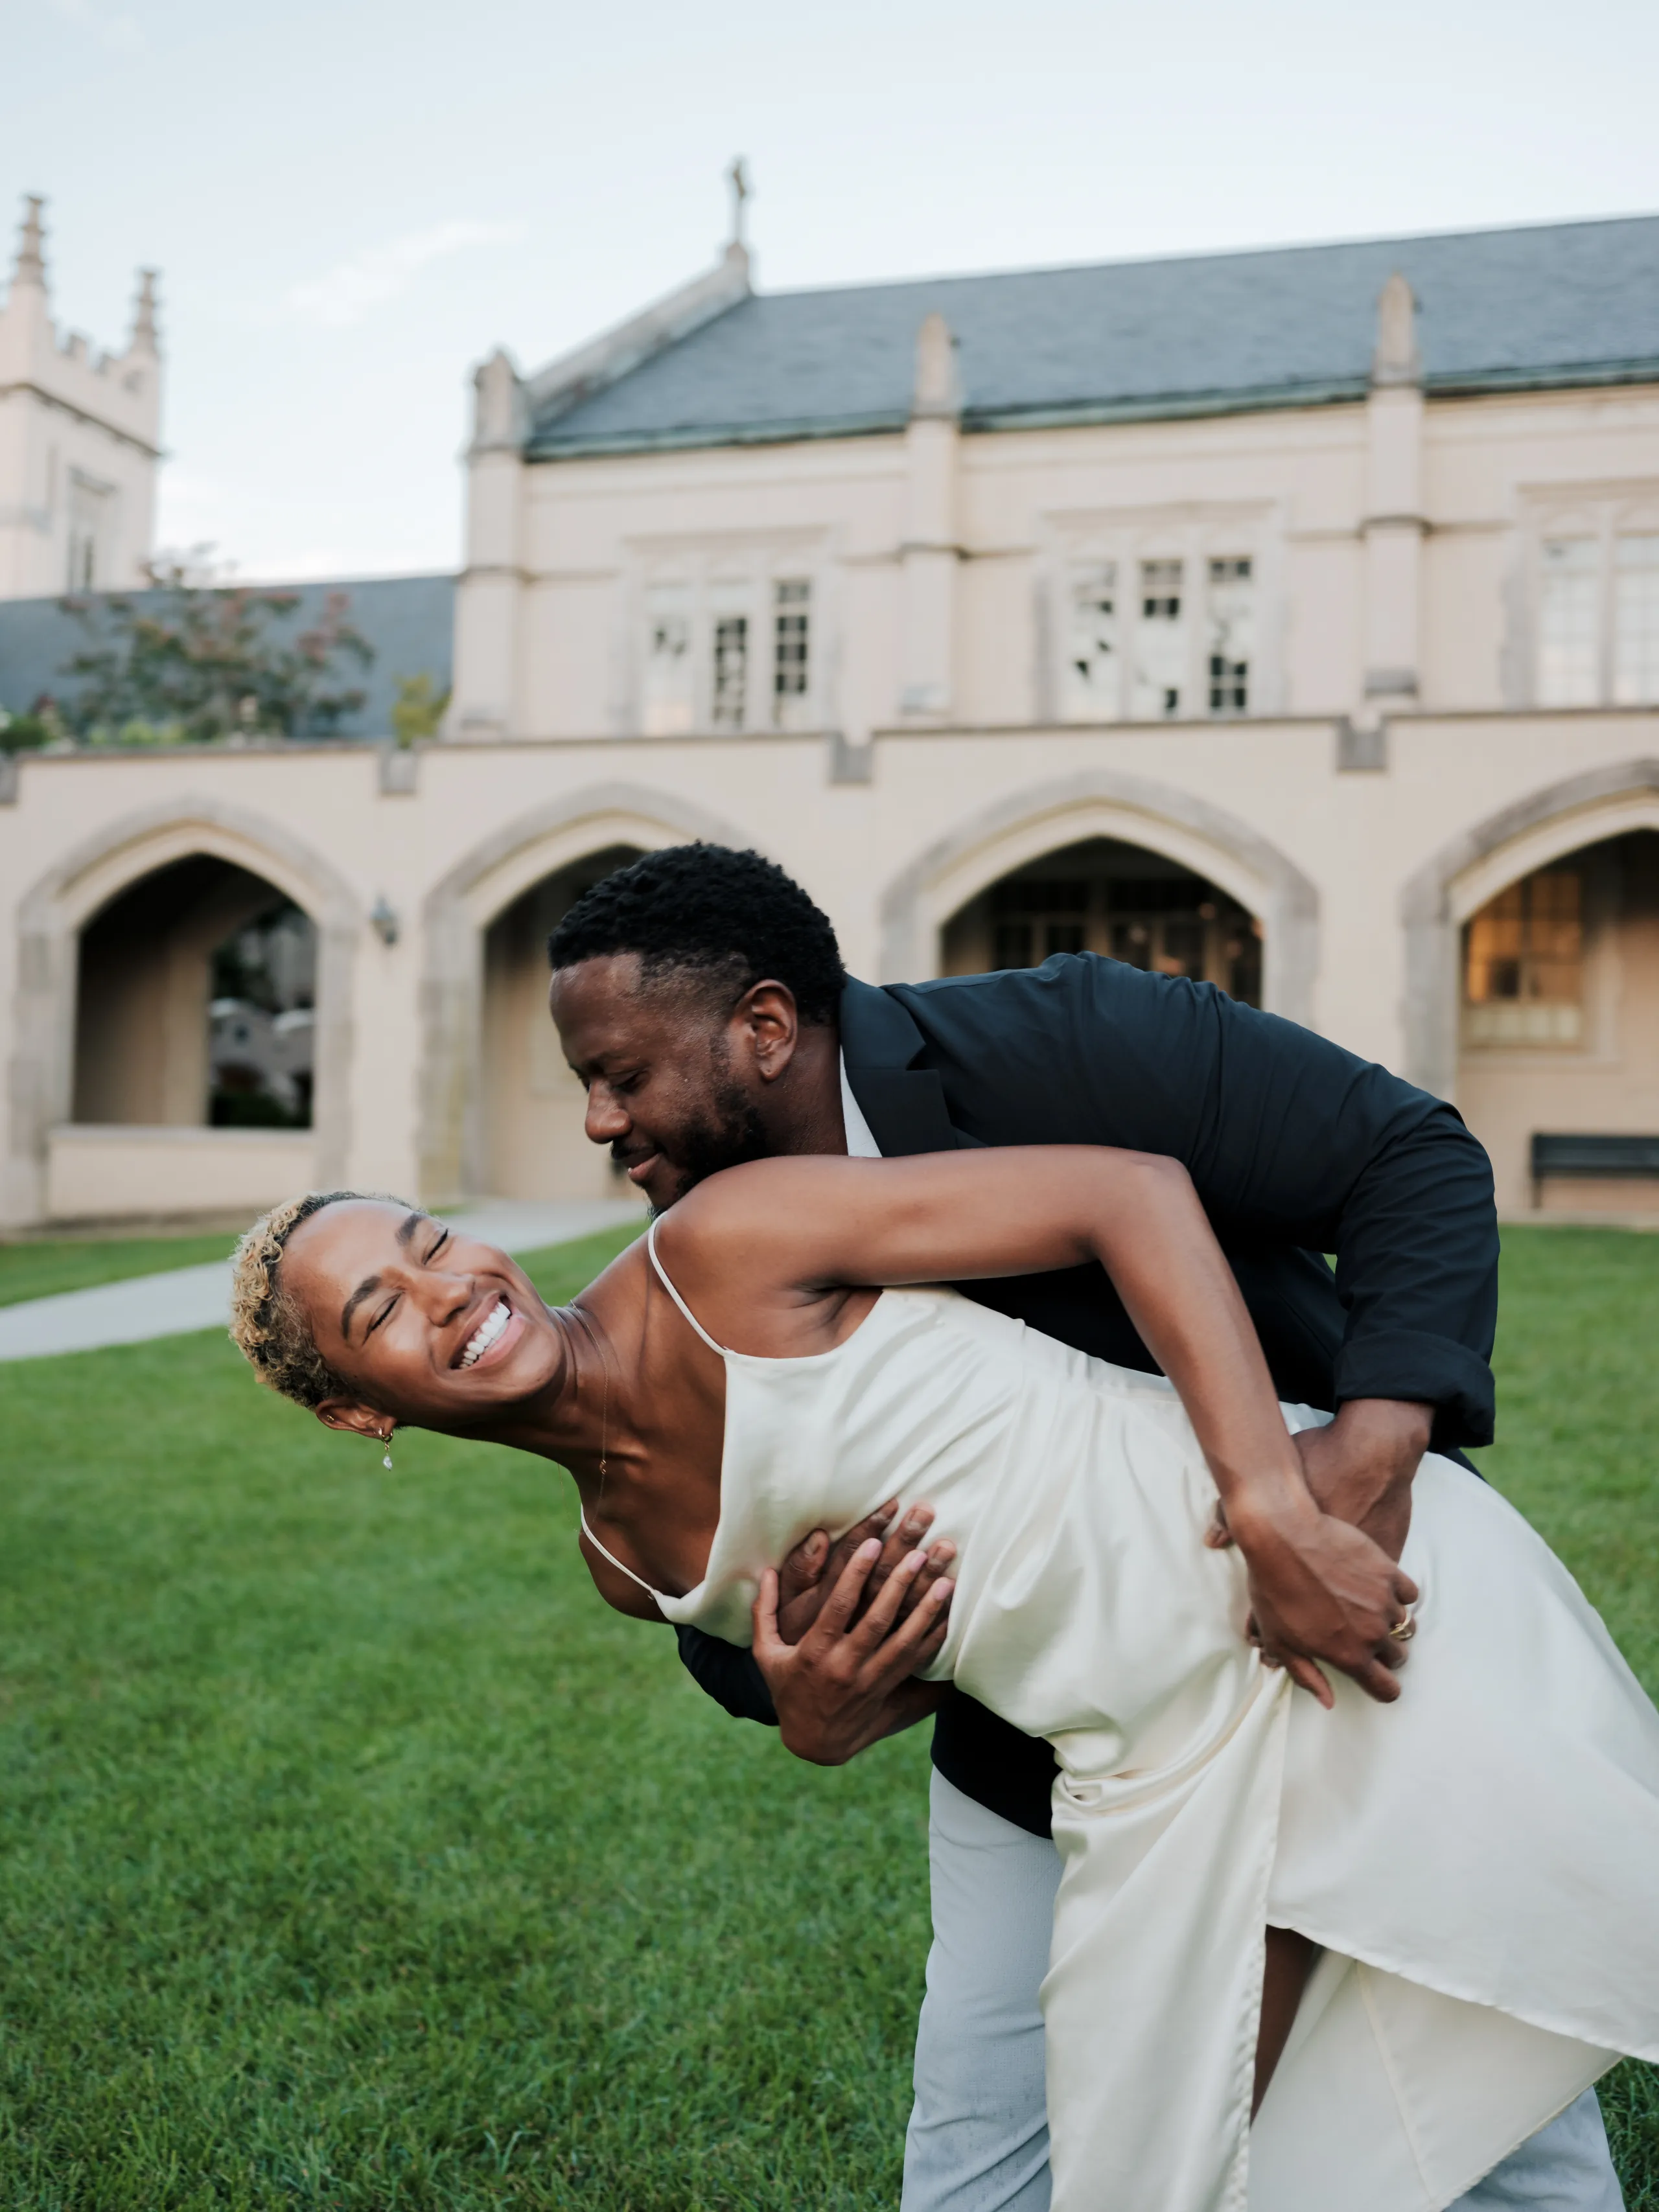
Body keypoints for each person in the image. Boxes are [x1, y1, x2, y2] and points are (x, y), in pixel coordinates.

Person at [227, 1155, 1659, 2212]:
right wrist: (823, 1715)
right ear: (363, 1409)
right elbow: (941, 1644)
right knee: (1161, 2177)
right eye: (384, 1312)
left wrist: (1279, 1513)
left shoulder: (718, 1250)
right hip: (1149, 1779)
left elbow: (1135, 1196)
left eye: (427, 1243)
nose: (450, 1291)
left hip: (1312, 1616)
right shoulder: (624, 1562)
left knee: (1503, 2031)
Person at [537, 846, 1625, 2211]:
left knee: (1471, 2106)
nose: (596, 1122)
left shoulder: (1074, 1037)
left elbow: (1405, 1154)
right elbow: (718, 1557)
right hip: (1043, 1750)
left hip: (1330, 1644)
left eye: (621, 1076)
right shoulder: (691, 1258)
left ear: (762, 1028)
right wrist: (788, 1692)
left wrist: (1351, 1466)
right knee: (983, 2160)